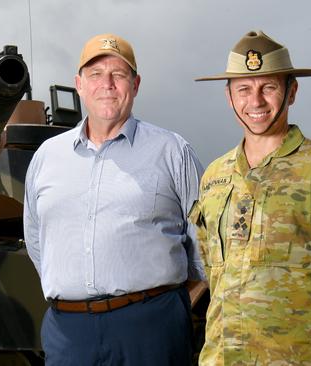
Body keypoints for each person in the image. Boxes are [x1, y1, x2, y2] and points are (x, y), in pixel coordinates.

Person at [190, 30, 311, 365]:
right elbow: (212, 264)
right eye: (244, 89)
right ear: (229, 97)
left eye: (268, 87)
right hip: (223, 357)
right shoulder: (215, 176)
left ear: (291, 92)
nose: (256, 101)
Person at [24, 33, 205, 365]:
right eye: (95, 74)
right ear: (79, 84)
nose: (106, 84)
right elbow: (38, 242)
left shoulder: (172, 152)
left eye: (118, 74)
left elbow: (203, 248)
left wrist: (168, 307)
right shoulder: (47, 157)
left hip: (151, 328)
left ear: (135, 85)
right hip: (69, 333)